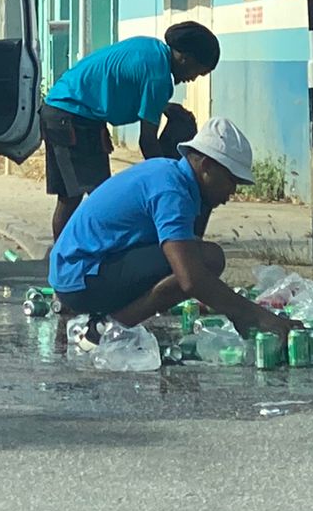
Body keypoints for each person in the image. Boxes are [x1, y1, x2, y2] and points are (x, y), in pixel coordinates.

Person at [48, 117, 299, 347]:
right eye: (231, 181)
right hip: (81, 278)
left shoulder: (169, 173)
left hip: (76, 274)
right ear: (207, 166)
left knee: (194, 256)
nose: (231, 192)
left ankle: (109, 321)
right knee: (207, 260)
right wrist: (253, 315)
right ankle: (107, 327)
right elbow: (191, 279)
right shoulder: (172, 191)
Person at [40, 22, 220, 240]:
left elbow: (126, 83)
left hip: (61, 108)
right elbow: (147, 142)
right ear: (185, 57)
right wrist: (167, 180)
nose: (193, 79)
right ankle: (70, 260)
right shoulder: (159, 78)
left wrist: (163, 106)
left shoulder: (151, 50)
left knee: (74, 196)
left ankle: (65, 258)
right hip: (72, 116)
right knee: (97, 198)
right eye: (197, 72)